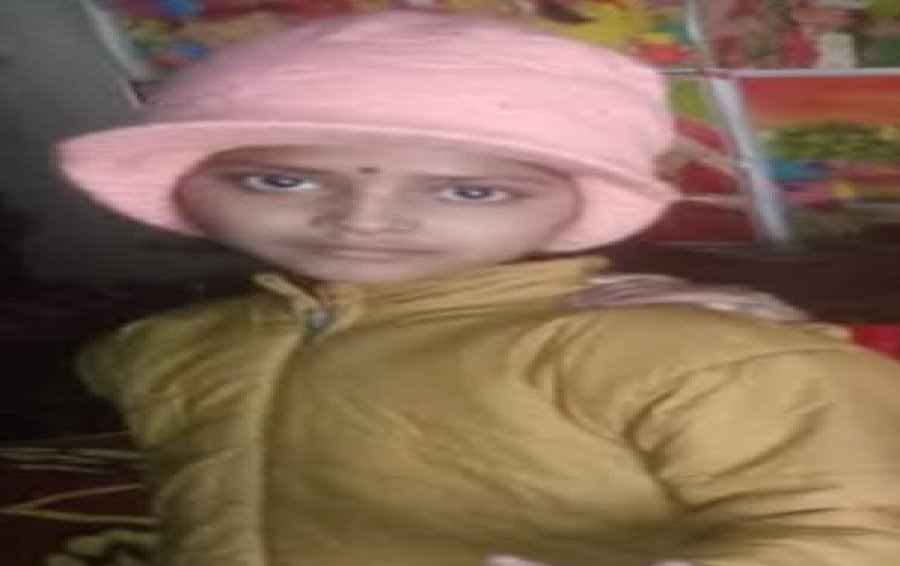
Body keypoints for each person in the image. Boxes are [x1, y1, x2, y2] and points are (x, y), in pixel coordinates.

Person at [58, 11, 900, 566]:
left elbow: (858, 533)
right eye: (280, 180)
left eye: (469, 190)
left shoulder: (689, 353)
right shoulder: (158, 348)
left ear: (578, 206)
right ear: (184, 183)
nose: (365, 219)